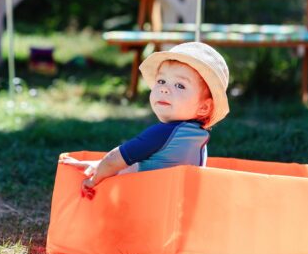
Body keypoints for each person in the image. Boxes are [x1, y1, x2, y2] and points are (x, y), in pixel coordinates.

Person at [60, 42, 230, 198]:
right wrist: (99, 164)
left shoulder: (165, 133)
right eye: (161, 81)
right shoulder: (197, 136)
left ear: (204, 108)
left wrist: (94, 180)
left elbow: (114, 159)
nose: (164, 89)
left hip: (145, 206)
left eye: (180, 85)